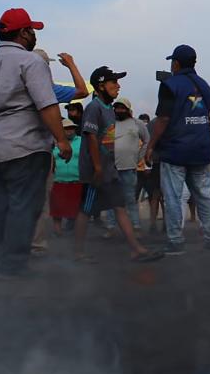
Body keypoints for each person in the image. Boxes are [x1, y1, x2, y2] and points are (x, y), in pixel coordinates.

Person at [0, 8, 72, 278]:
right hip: (25, 147)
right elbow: (47, 105)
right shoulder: (30, 62)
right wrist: (62, 140)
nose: (34, 36)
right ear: (23, 32)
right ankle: (13, 266)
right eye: (32, 31)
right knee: (23, 208)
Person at [78, 66, 162, 262]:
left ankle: (136, 249)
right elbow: (90, 137)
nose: (118, 85)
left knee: (120, 206)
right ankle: (78, 252)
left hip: (109, 169)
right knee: (85, 210)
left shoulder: (108, 109)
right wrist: (97, 168)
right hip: (95, 172)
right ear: (100, 86)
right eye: (113, 82)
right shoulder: (94, 107)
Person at [145, 45, 210, 256]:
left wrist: (151, 145)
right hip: (202, 149)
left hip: (175, 150)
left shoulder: (170, 85)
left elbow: (163, 118)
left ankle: (176, 241)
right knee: (203, 195)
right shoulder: (205, 87)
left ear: (176, 63)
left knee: (173, 196)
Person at [48, 118, 93, 262]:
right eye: (66, 128)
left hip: (77, 179)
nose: (69, 130)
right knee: (57, 210)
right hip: (59, 179)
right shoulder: (55, 143)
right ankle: (58, 236)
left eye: (71, 128)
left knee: (76, 211)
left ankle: (75, 240)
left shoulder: (81, 141)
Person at [111, 97, 148, 234]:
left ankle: (135, 226)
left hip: (129, 168)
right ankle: (111, 227)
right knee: (111, 201)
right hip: (112, 168)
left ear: (128, 109)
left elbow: (146, 141)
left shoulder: (137, 123)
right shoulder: (111, 124)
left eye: (122, 108)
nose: (119, 110)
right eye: (117, 108)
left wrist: (139, 157)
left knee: (130, 199)